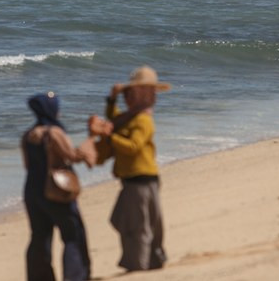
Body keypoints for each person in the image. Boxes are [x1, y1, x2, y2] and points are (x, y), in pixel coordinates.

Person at [87, 66, 170, 272]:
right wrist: (112, 99)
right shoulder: (130, 117)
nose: (128, 97)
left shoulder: (143, 120)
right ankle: (151, 259)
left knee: (137, 225)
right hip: (135, 180)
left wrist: (109, 137)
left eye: (131, 93)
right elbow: (114, 120)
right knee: (131, 221)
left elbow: (133, 146)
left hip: (141, 179)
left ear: (145, 95)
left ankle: (139, 265)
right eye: (127, 93)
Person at [22, 92, 95, 281]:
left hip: (31, 191)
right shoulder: (54, 132)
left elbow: (27, 166)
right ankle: (76, 276)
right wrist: (91, 140)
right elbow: (72, 156)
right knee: (72, 234)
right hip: (55, 190)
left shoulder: (27, 135)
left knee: (39, 236)